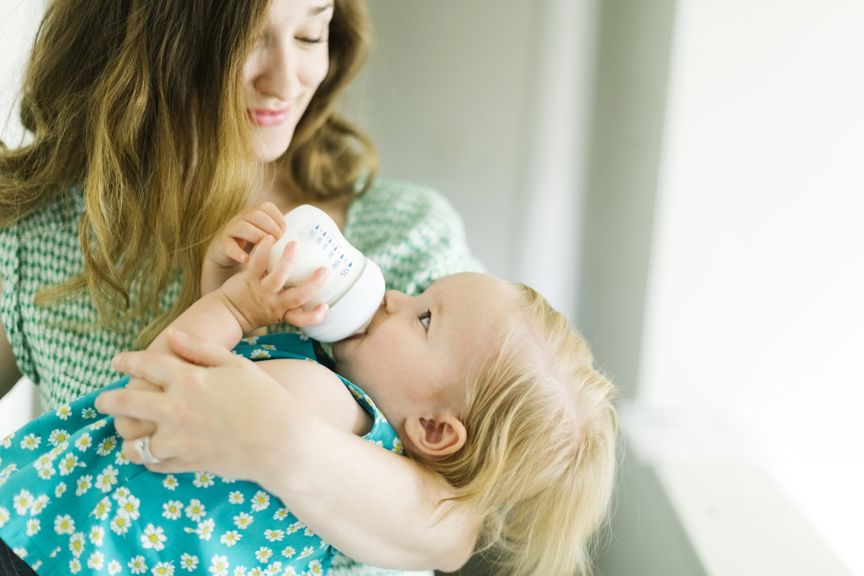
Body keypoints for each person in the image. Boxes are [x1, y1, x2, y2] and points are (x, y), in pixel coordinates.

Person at [0, 1, 482, 575]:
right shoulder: (43, 234)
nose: (285, 80)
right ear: (146, 39)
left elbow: (456, 529)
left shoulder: (407, 243)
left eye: (308, 34)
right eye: (246, 40)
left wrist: (276, 437)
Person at [0, 206, 619, 576]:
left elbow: (152, 400)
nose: (397, 298)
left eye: (424, 318)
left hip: (48, 540)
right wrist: (225, 293)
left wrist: (235, 305)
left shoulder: (320, 399)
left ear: (434, 429)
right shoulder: (344, 425)